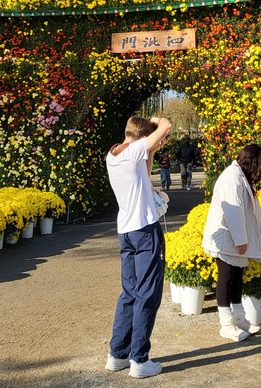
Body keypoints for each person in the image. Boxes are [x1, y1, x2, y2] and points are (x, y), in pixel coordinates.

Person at [104, 115, 172, 379]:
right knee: (147, 294)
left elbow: (142, 171)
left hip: (126, 231)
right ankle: (139, 360)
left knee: (129, 294)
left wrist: (152, 149)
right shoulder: (134, 151)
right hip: (145, 231)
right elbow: (166, 125)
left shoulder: (115, 154)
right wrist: (157, 121)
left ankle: (117, 354)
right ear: (144, 138)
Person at [201, 144, 261, 342]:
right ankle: (226, 324)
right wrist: (242, 240)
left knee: (236, 277)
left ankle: (239, 320)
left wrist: (252, 240)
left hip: (233, 239)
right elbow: (234, 213)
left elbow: (247, 214)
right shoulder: (232, 178)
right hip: (227, 238)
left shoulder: (240, 177)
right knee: (226, 278)